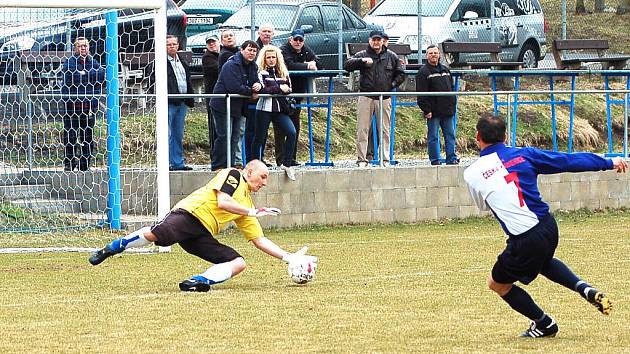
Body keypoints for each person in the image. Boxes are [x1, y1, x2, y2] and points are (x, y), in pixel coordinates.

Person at [463, 113, 627, 338]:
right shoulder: (525, 155)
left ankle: (544, 324)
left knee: (497, 284)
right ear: (505, 136)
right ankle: (584, 288)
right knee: (542, 261)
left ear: (477, 136)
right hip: (548, 227)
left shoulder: (471, 173)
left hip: (525, 238)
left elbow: (483, 206)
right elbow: (567, 161)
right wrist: (608, 162)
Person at [88, 160, 317, 292]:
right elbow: (222, 201)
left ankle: (198, 282)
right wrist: (252, 211)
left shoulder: (247, 204)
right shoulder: (234, 175)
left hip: (201, 233)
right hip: (189, 215)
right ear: (249, 172)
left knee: (238, 263)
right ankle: (114, 247)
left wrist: (289, 257)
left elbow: (259, 240)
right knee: (157, 235)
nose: (265, 182)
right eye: (263, 176)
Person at [343, 30, 405, 168]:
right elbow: (346, 65)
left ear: (383, 41)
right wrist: (361, 62)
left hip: (384, 97)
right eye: (374, 40)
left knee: (385, 129)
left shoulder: (392, 56)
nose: (376, 42)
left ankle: (385, 159)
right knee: (362, 129)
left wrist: (392, 85)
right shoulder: (363, 55)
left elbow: (401, 74)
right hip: (366, 96)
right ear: (370, 41)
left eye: (379, 40)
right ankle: (362, 159)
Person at [210, 40, 261, 171]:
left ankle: (230, 164)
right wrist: (251, 91)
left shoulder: (252, 66)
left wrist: (258, 86)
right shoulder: (231, 65)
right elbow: (233, 87)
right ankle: (218, 165)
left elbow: (255, 81)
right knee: (224, 136)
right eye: (249, 50)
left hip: (238, 107)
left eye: (254, 51)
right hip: (223, 105)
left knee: (235, 137)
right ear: (242, 50)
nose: (251, 53)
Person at [252, 45, 297, 181]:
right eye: (268, 57)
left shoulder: (283, 71)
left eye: (273, 57)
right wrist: (278, 88)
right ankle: (253, 164)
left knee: (291, 132)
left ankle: (287, 163)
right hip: (264, 109)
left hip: (279, 109)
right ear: (264, 59)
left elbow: (289, 88)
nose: (271, 60)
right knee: (259, 138)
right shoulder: (260, 72)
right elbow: (261, 91)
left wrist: (275, 88)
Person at [279, 28, 322, 167]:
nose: (298, 42)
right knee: (281, 128)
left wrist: (313, 64)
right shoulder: (283, 50)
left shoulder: (306, 49)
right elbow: (289, 65)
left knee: (295, 127)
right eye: (295, 39)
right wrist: (307, 65)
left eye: (300, 40)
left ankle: (291, 158)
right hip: (281, 94)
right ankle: (280, 159)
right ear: (290, 39)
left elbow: (318, 63)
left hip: (297, 95)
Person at [61, 37, 104, 171]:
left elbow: (101, 75)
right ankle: (69, 163)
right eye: (80, 46)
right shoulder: (69, 62)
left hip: (89, 106)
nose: (83, 48)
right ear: (75, 48)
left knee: (87, 136)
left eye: (85, 46)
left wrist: (84, 74)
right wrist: (89, 76)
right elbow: (70, 76)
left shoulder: (94, 61)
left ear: (88, 48)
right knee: (70, 136)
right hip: (72, 106)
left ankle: (84, 164)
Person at [416, 44, 458, 166]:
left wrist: (453, 105)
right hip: (433, 111)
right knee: (433, 136)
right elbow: (421, 94)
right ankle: (435, 160)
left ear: (439, 54)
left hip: (447, 110)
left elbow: (451, 88)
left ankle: (451, 158)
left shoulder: (445, 70)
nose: (433, 55)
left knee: (450, 135)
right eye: (431, 53)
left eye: (435, 53)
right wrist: (426, 110)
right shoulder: (423, 72)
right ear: (426, 55)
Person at [166, 35, 195, 171]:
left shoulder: (182, 61)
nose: (172, 46)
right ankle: (167, 163)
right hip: (169, 102)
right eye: (168, 44)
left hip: (182, 102)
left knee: (178, 133)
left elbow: (187, 80)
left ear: (178, 45)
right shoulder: (161, 63)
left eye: (174, 44)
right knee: (168, 133)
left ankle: (178, 163)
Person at [202, 34, 220, 158]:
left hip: (225, 97)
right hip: (213, 98)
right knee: (214, 128)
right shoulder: (207, 58)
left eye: (213, 42)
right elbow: (221, 70)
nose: (212, 44)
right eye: (209, 43)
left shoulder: (223, 54)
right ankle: (215, 157)